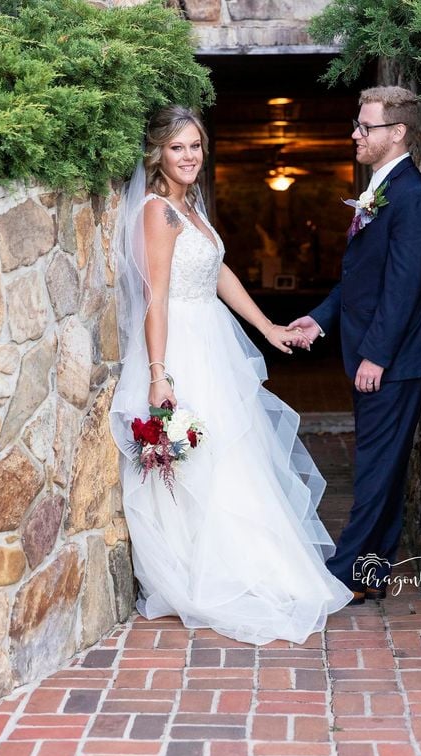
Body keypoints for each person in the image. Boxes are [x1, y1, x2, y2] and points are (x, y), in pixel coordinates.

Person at [110, 105, 352, 645]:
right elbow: (156, 297)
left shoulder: (190, 206)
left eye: (195, 145)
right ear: (158, 154)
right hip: (180, 346)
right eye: (177, 148)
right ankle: (206, 573)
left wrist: (267, 327)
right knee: (201, 460)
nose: (189, 156)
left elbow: (217, 271)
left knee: (236, 455)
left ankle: (251, 564)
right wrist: (158, 373)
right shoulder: (157, 213)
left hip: (215, 342)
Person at [289, 86, 421, 604]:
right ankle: (370, 576)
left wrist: (376, 354)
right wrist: (319, 318)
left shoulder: (414, 196)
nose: (355, 133)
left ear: (396, 133)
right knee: (386, 467)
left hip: (393, 361)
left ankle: (342, 572)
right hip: (375, 353)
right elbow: (361, 277)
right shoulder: (383, 186)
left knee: (374, 467)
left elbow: (405, 284)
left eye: (365, 127)